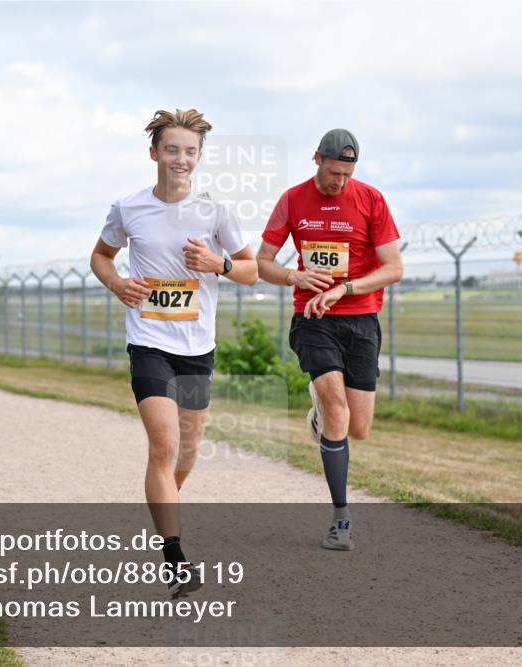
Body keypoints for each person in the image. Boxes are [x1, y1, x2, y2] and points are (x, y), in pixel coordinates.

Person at [90, 109, 257, 598]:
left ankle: (162, 509)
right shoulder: (129, 208)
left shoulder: (216, 212)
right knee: (162, 448)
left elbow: (250, 270)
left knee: (186, 453)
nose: (180, 159)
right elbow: (100, 256)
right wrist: (117, 282)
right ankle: (176, 560)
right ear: (154, 153)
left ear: (199, 158)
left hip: (197, 348)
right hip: (149, 343)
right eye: (171, 149)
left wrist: (218, 262)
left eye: (189, 152)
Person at [256, 128, 403, 551]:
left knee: (357, 428)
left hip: (360, 318)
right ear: (315, 159)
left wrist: (347, 288)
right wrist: (293, 276)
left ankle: (320, 418)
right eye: (334, 171)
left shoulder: (371, 200)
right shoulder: (292, 199)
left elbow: (393, 268)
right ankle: (341, 519)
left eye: (347, 173)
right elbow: (263, 262)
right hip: (312, 315)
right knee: (337, 408)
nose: (339, 181)